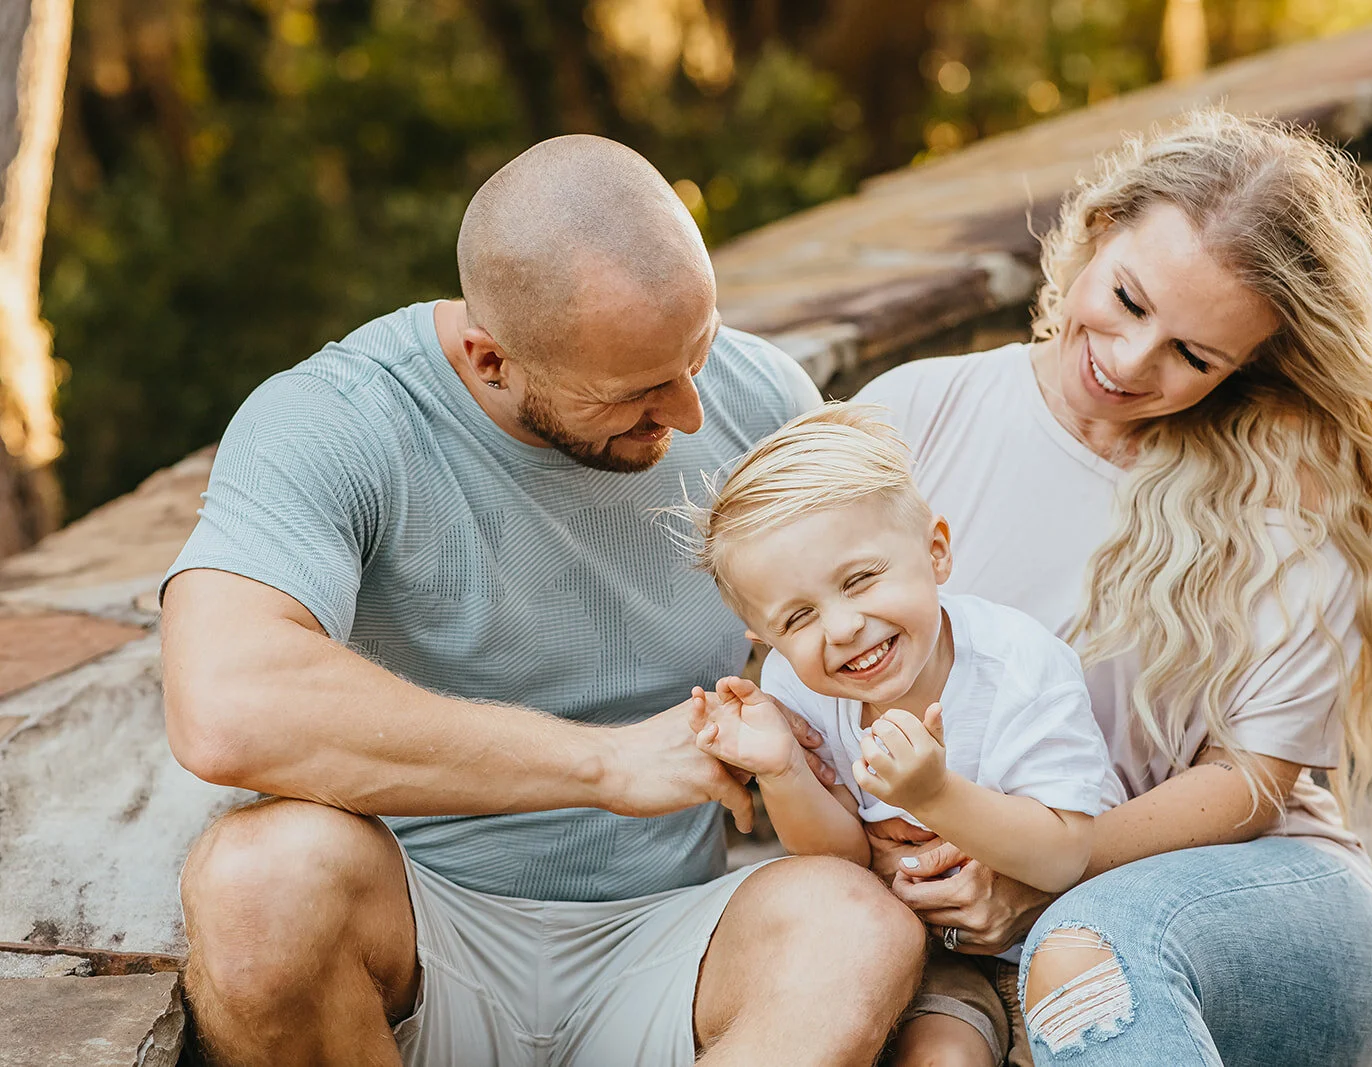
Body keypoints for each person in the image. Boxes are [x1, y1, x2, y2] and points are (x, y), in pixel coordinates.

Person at [159, 135, 928, 1066]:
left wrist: (956, 833)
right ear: (491, 360)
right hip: (421, 927)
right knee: (256, 883)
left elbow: (886, 637)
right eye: (638, 392)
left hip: (678, 933)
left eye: (701, 349)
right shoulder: (333, 420)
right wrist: (606, 765)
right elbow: (226, 705)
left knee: (858, 930)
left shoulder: (758, 395)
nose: (690, 413)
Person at [855, 108, 1372, 1066]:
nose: (1132, 362)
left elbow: (1250, 782)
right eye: (1129, 300)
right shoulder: (911, 415)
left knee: (1086, 951)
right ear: (1098, 229)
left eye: (1194, 355)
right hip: (962, 930)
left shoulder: (1289, 488)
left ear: (1250, 363)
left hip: (1242, 897)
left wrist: (1040, 868)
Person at [680, 402, 1125, 1066]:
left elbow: (1064, 856)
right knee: (941, 1052)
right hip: (935, 951)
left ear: (935, 550)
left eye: (860, 580)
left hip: (1067, 927)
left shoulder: (1020, 666)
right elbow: (842, 860)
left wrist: (935, 795)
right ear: (765, 638)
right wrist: (784, 772)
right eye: (797, 618)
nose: (842, 628)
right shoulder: (796, 686)